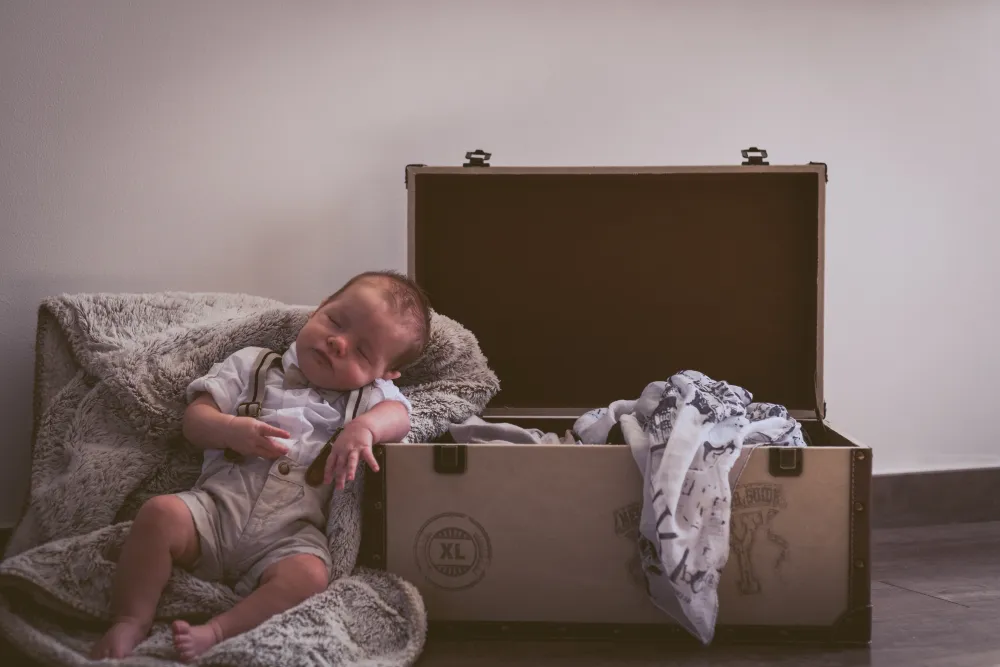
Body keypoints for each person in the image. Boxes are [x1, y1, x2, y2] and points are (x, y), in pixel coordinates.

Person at [90, 270, 432, 661]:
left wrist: (364, 429)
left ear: (385, 373)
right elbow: (194, 421)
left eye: (362, 352)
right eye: (336, 322)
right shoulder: (253, 364)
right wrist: (229, 429)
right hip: (215, 510)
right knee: (158, 515)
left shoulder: (369, 398)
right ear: (319, 308)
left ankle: (218, 630)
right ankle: (130, 619)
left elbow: (401, 417)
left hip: (289, 534)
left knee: (311, 576)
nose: (338, 343)